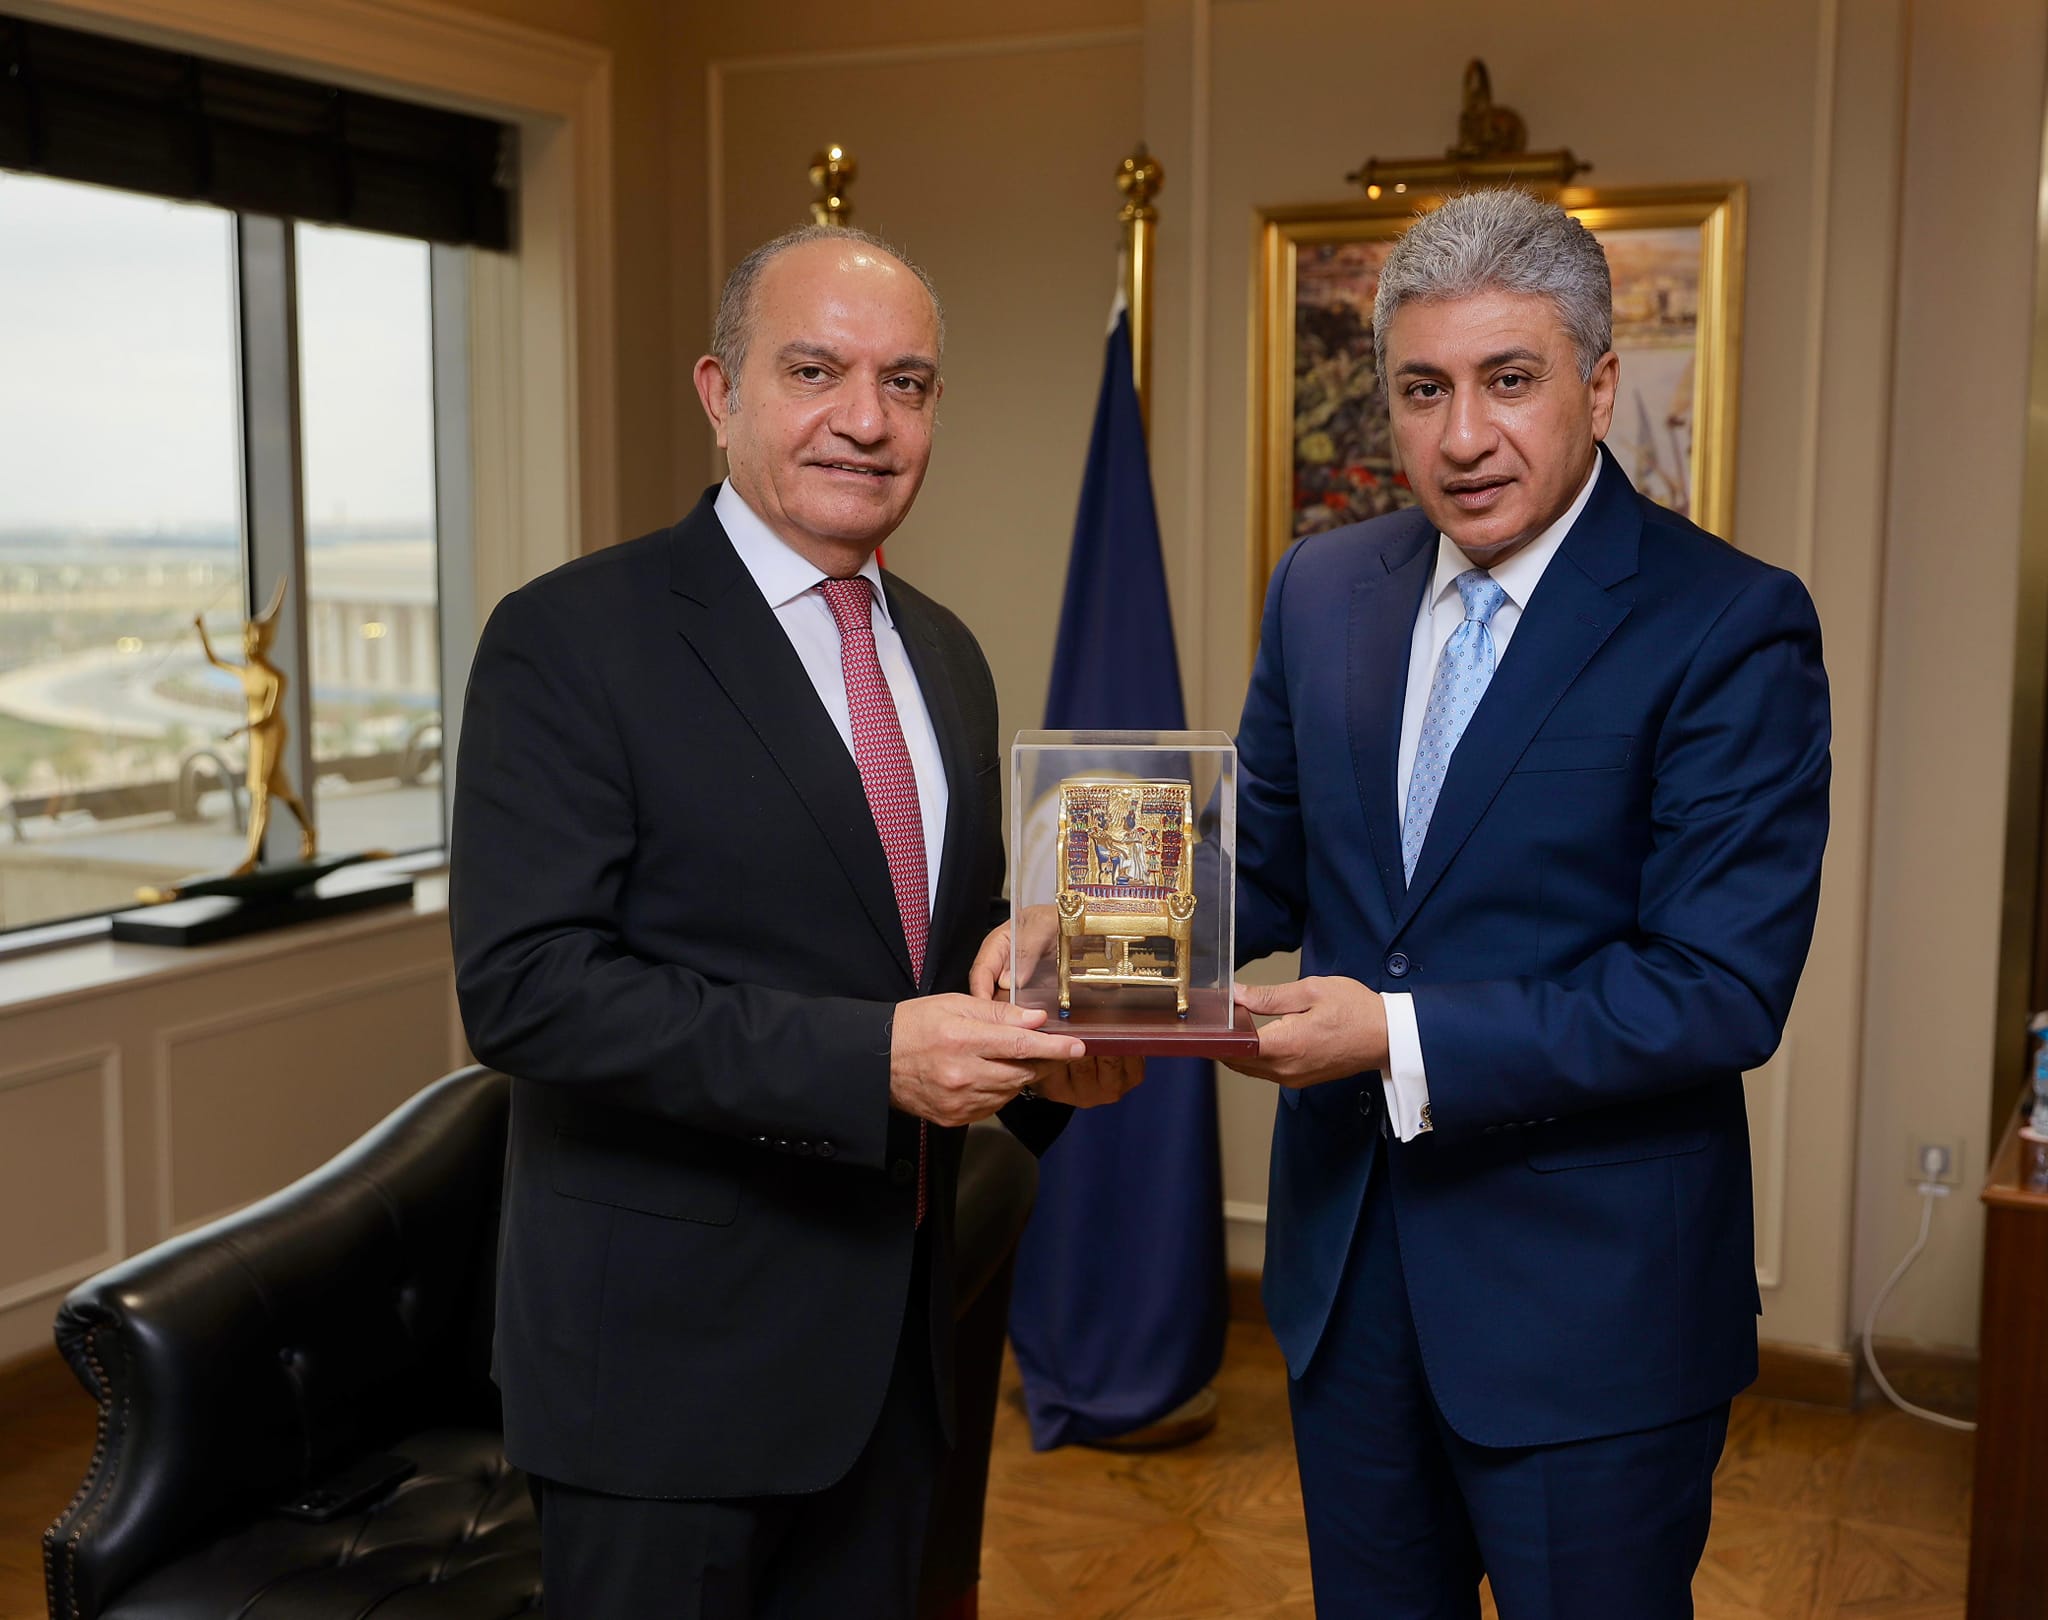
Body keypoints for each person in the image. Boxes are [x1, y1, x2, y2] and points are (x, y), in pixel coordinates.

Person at [449, 223, 1138, 1620]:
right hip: (663, 1381)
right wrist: (870, 1060)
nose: (866, 422)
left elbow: (911, 939)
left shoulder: (943, 653)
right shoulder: (571, 637)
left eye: (907, 383)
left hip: (892, 1364)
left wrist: (1042, 1022)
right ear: (720, 392)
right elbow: (527, 988)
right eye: (815, 371)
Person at [1227, 189, 1830, 1615]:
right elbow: (1258, 858)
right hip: (1349, 1290)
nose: (1462, 438)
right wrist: (1082, 928)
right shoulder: (1322, 588)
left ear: (1600, 386)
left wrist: (1393, 1035)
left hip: (1594, 1321)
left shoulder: (1728, 622)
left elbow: (1715, 989)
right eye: (1423, 389)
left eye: (1509, 380)